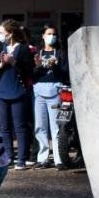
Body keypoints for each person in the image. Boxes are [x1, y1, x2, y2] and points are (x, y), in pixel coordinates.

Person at [0, 20, 35, 170]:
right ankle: (8, 156)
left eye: (2, 33)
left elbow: (29, 71)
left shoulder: (23, 49)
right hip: (1, 90)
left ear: (10, 34)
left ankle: (22, 159)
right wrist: (0, 65)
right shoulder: (0, 48)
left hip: (18, 90)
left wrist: (13, 62)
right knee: (4, 126)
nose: (0, 36)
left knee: (20, 126)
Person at [32, 25, 69, 170]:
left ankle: (59, 159)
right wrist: (38, 66)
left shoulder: (61, 53)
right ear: (43, 36)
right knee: (40, 126)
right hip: (39, 91)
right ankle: (43, 158)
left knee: (56, 126)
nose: (51, 36)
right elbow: (32, 74)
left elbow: (66, 72)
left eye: (53, 34)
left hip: (55, 90)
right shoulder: (37, 52)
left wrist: (56, 66)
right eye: (48, 33)